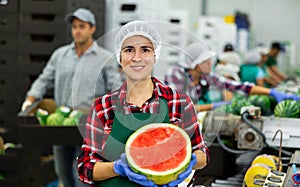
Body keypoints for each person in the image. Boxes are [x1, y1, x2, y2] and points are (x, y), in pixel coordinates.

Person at [77, 20, 209, 187]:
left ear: (155, 56)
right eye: (129, 50)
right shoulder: (102, 107)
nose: (137, 58)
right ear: (120, 57)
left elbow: (202, 154)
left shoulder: (178, 102)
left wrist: (187, 161)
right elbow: (85, 168)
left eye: (145, 50)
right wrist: (118, 168)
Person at [21, 8, 119, 187]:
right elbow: (44, 79)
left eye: (82, 26)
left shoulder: (106, 59)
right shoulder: (60, 55)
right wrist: (30, 98)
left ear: (92, 29)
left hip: (89, 126)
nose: (77, 30)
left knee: (82, 176)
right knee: (63, 172)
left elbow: (116, 90)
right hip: (61, 125)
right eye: (74, 27)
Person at [164, 42, 300, 112]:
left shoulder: (206, 77)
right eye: (205, 61)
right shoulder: (175, 74)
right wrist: (215, 106)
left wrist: (271, 92)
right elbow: (182, 108)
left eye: (210, 60)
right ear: (193, 63)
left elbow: (237, 86)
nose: (210, 64)